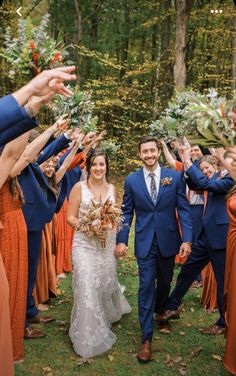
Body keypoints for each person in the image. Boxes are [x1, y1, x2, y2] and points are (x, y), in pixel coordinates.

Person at [115, 136, 192, 363]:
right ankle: (146, 339)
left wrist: (187, 240)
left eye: (152, 151)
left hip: (169, 240)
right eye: (144, 152)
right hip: (145, 241)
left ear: (158, 152)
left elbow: (184, 209)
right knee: (146, 285)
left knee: (165, 281)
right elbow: (126, 212)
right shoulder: (131, 180)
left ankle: (161, 310)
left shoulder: (174, 177)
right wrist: (121, 240)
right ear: (139, 155)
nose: (148, 155)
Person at [67, 148, 131, 358]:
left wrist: (110, 228)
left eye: (102, 164)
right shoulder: (79, 187)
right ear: (88, 166)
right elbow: (70, 217)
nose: (98, 168)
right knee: (86, 282)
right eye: (94, 164)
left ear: (107, 166)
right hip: (84, 244)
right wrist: (87, 227)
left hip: (105, 245)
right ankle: (88, 335)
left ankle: (106, 313)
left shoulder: (112, 188)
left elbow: (117, 217)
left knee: (105, 282)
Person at [162, 151, 234, 335]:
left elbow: (204, 183)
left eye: (206, 168)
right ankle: (172, 307)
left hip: (221, 239)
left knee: (222, 282)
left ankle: (223, 322)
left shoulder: (230, 180)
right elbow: (196, 185)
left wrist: (187, 160)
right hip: (204, 236)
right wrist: (187, 168)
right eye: (202, 169)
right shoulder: (216, 176)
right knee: (187, 271)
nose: (205, 171)